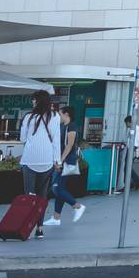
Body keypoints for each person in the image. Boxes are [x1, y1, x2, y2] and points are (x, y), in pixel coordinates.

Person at [19, 90, 60, 239]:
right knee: (42, 197)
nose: (32, 102)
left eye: (33, 100)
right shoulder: (55, 116)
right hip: (47, 161)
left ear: (37, 101)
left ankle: (26, 226)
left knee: (29, 195)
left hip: (29, 160)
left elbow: (23, 138)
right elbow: (56, 141)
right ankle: (40, 228)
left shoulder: (28, 117)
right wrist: (58, 161)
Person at [45, 105, 87, 227]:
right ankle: (56, 218)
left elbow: (69, 145)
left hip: (66, 160)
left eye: (60, 114)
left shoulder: (71, 126)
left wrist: (60, 161)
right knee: (59, 188)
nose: (59, 116)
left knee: (56, 188)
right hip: (62, 160)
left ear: (66, 114)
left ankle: (77, 206)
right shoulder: (62, 126)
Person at [124, 115, 139, 190]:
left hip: (132, 149)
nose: (126, 125)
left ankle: (137, 181)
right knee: (128, 167)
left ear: (129, 122)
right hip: (135, 148)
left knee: (127, 167)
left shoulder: (133, 128)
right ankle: (132, 183)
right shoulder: (137, 127)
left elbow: (131, 140)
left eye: (126, 123)